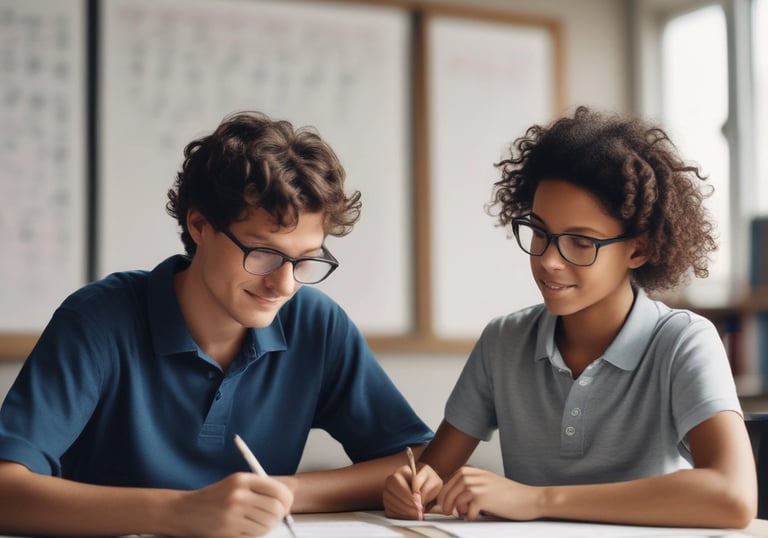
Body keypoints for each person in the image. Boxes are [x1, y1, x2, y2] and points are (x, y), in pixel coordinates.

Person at [0, 111, 433, 537]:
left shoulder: (315, 324)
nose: (283, 284)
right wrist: (179, 512)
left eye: (306, 260)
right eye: (263, 253)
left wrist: (282, 492)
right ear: (200, 225)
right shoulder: (97, 321)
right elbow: (7, 490)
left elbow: (416, 460)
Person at [383, 106, 757, 529]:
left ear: (639, 249)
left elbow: (733, 496)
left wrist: (538, 500)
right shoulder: (503, 341)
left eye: (580, 242)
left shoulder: (684, 342)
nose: (549, 260)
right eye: (540, 233)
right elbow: (435, 473)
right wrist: (413, 490)